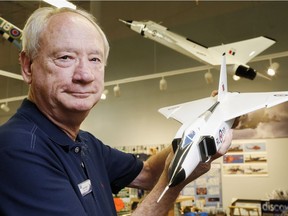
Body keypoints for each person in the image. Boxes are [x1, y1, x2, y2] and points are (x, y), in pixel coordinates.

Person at [0, 7, 233, 216]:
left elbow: (149, 172)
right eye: (65, 57)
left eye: (94, 59)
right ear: (28, 66)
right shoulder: (17, 148)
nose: (85, 75)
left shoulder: (85, 144)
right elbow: (160, 179)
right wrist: (173, 183)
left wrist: (204, 123)